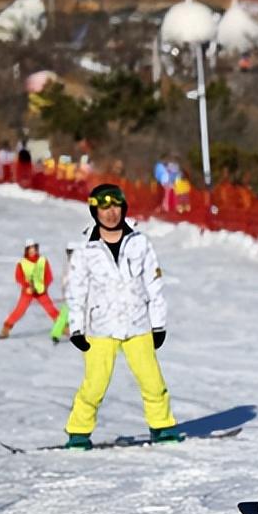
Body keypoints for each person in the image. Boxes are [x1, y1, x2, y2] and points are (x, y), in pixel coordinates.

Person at [63, 183, 180, 449]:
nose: (111, 213)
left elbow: (154, 285)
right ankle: (78, 432)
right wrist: (77, 327)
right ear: (95, 212)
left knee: (153, 381)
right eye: (104, 208)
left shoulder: (139, 243)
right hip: (100, 327)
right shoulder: (86, 249)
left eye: (115, 207)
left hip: (137, 324)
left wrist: (158, 323)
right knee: (95, 385)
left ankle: (162, 426)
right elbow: (76, 291)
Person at [0, 239, 62, 339]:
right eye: (30, 249)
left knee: (51, 309)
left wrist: (45, 286)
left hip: (41, 291)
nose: (32, 251)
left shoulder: (43, 260)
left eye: (34, 249)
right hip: (28, 292)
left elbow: (48, 276)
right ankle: (6, 329)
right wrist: (26, 286)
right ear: (26, 250)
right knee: (19, 310)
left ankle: (64, 327)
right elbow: (18, 277)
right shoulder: (22, 263)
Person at [50, 243, 78, 345]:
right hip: (71, 296)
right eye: (70, 252)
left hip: (78, 295)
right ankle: (55, 334)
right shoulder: (69, 266)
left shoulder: (78, 264)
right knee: (64, 316)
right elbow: (65, 282)